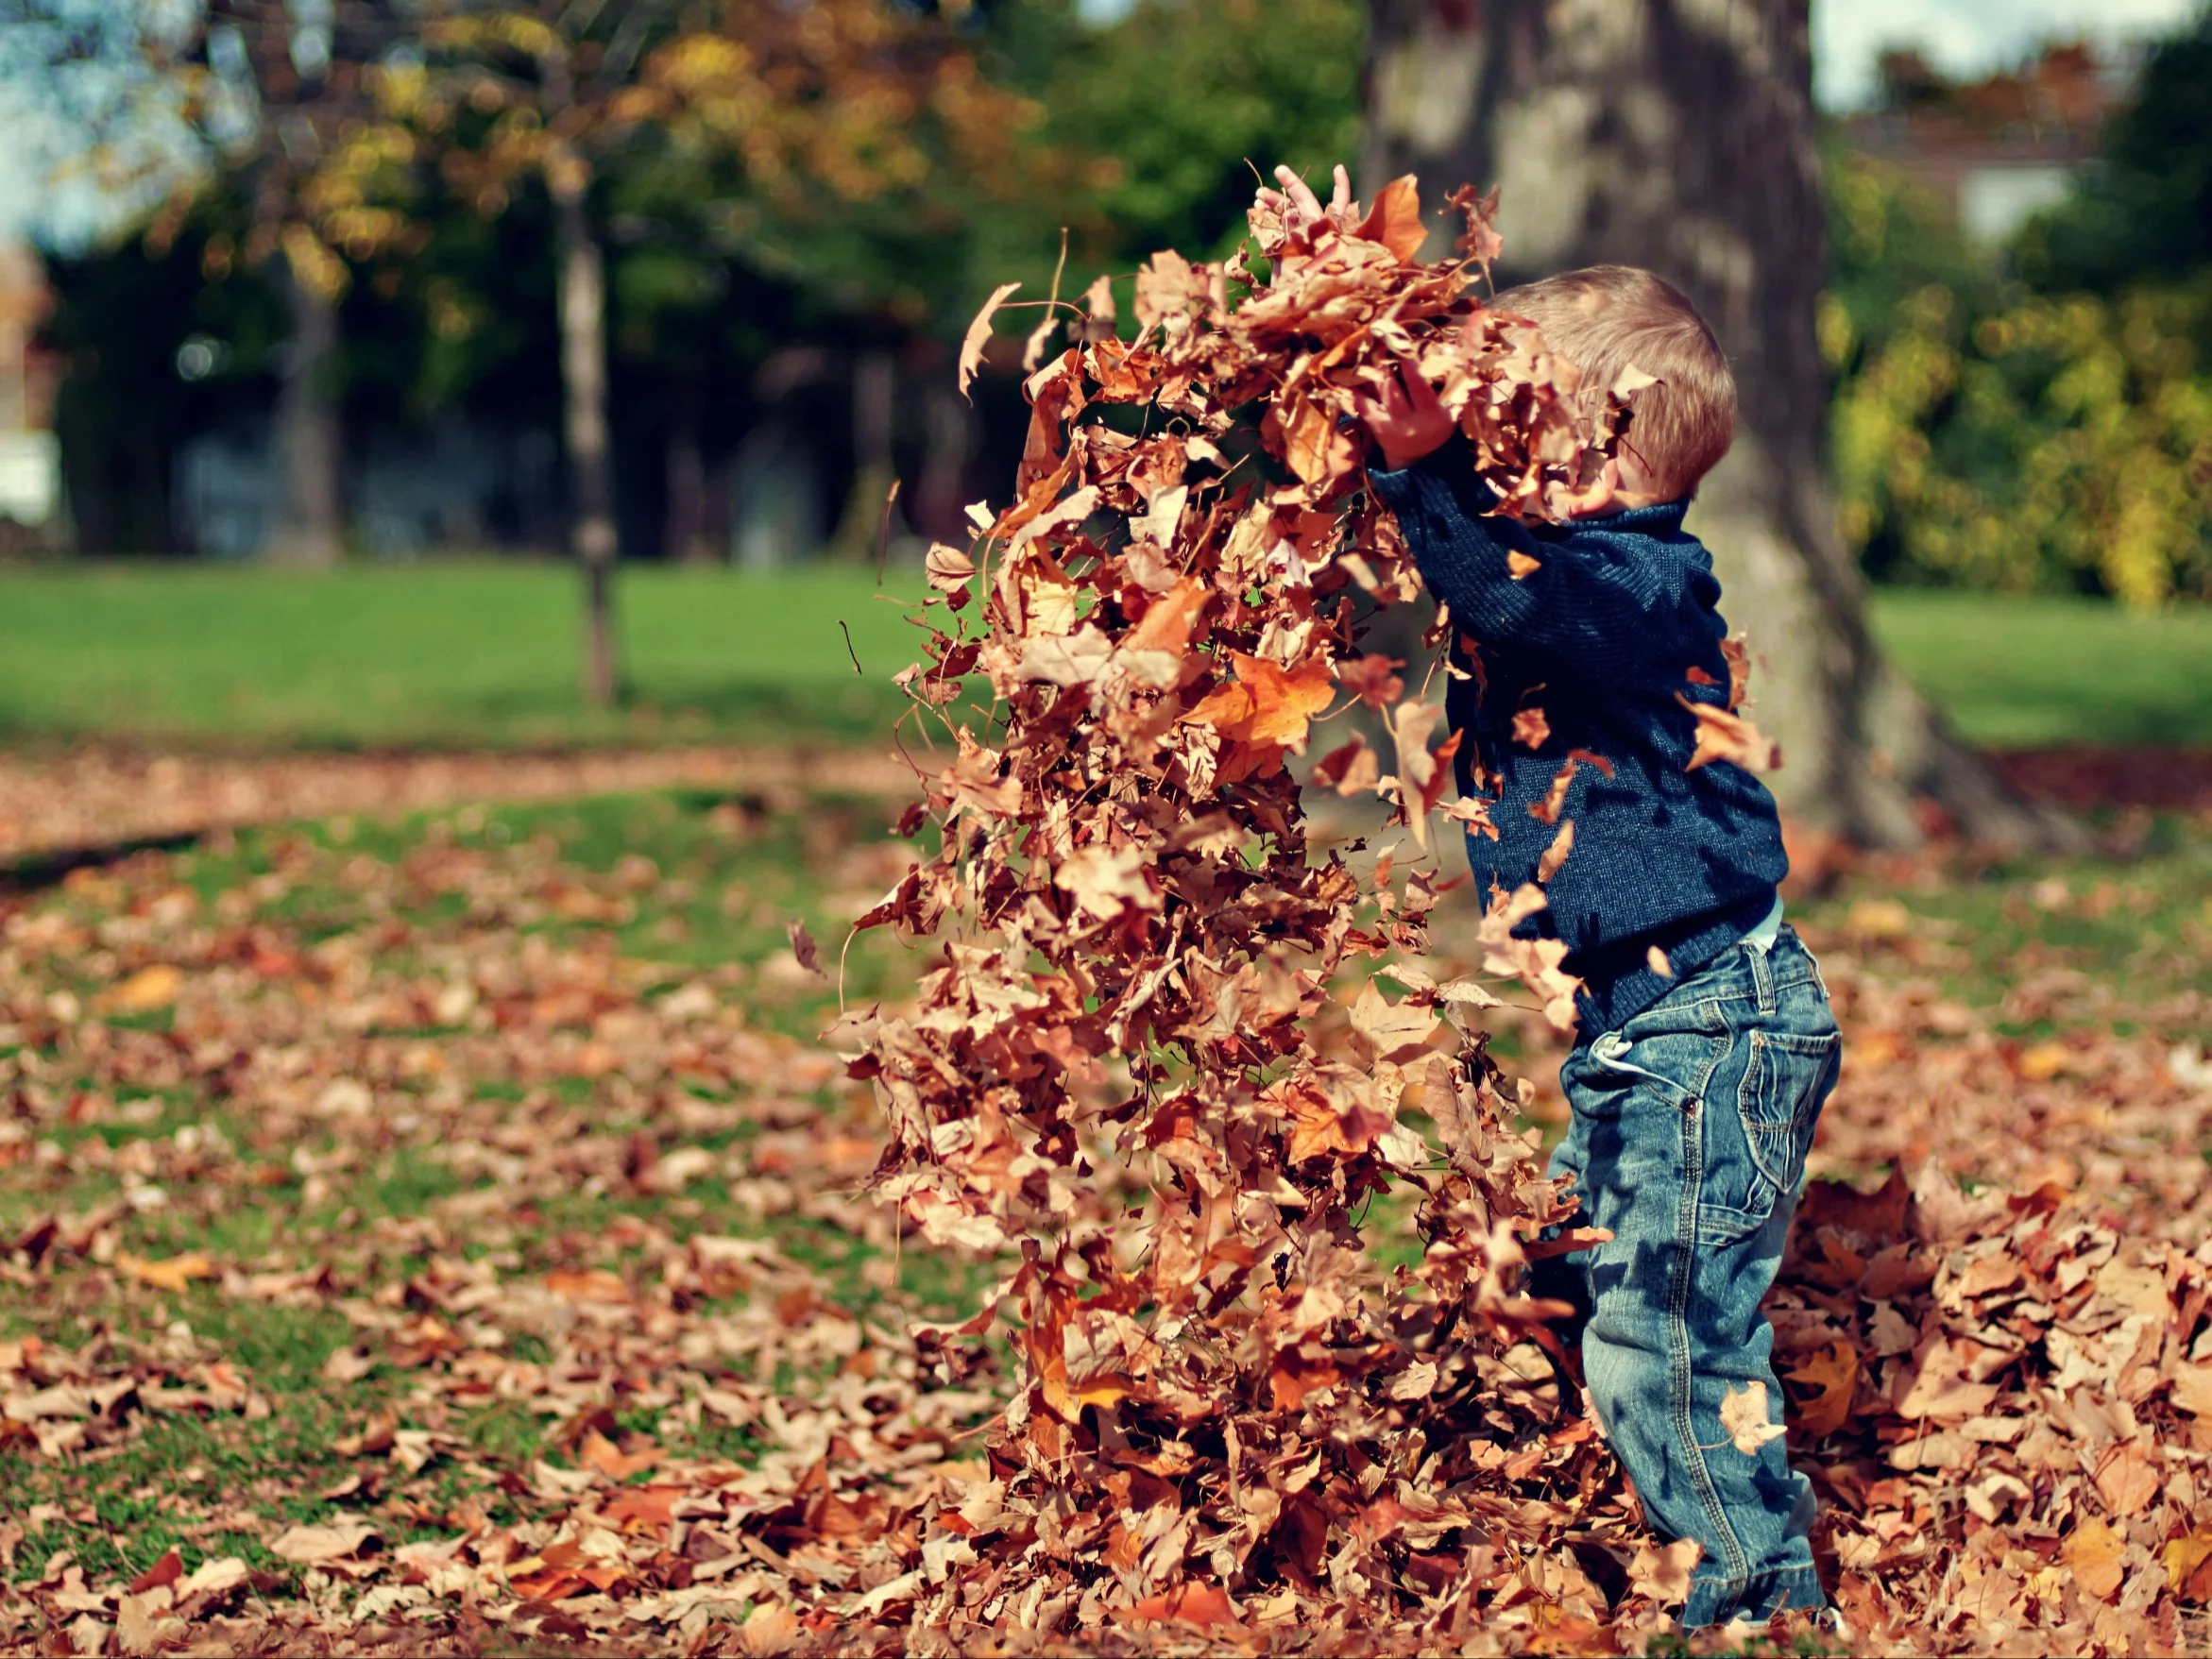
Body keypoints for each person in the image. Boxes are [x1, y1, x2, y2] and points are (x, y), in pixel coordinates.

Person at [1264, 166, 1843, 1630]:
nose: (1479, 446)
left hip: (1712, 1024)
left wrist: (1421, 473)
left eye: (1505, 421)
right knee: (1589, 1283)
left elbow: (1509, 595)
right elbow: (1488, 583)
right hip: (1648, 1029)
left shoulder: (1637, 586)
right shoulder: (1570, 567)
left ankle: (1759, 1600)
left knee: (1662, 1330)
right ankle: (1657, 1509)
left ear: (1585, 455)